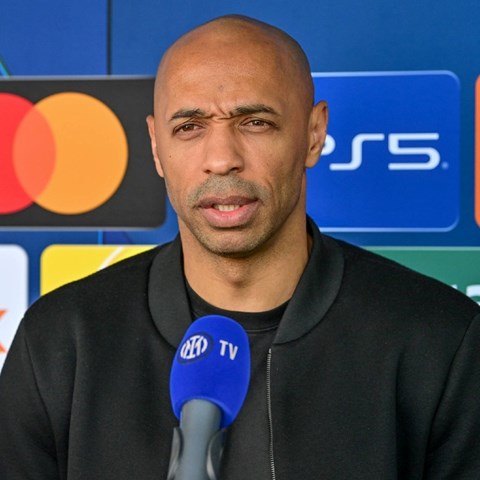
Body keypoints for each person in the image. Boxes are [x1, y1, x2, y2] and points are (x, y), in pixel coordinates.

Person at [1, 14, 479, 480]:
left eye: (254, 122)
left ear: (314, 134)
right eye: (190, 127)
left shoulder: (441, 341)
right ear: (156, 147)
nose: (221, 159)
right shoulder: (62, 340)